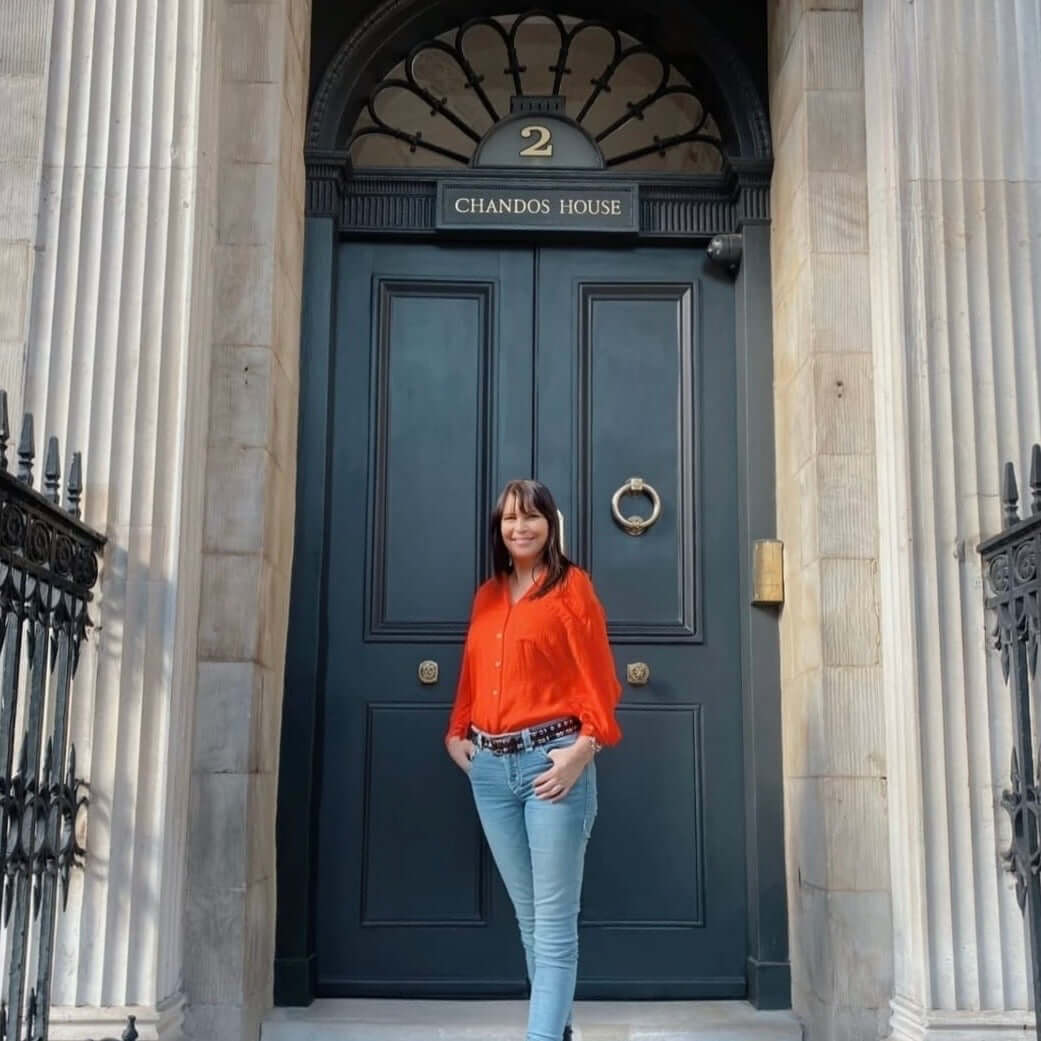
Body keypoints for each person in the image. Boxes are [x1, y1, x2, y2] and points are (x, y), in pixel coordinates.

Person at [445, 479, 622, 1041]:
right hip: (492, 772)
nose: (519, 528)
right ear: (498, 530)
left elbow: (600, 679)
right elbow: (474, 674)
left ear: (550, 524)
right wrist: (456, 734)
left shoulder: (573, 589)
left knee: (554, 927)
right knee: (530, 922)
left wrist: (582, 751)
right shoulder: (488, 595)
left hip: (554, 767)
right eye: (508, 520)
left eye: (531, 518)